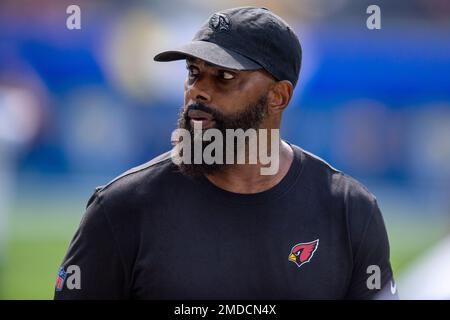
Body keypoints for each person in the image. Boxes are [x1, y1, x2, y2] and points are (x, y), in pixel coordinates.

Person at [54, 6, 397, 299]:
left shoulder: (349, 211)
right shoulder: (122, 207)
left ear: (278, 96)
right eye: (193, 73)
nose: (199, 91)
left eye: (225, 77)